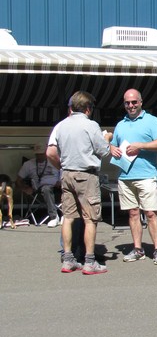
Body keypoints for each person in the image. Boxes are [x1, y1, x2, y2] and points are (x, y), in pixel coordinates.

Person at [46, 91, 111, 275]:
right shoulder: (90, 125)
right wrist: (107, 138)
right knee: (90, 218)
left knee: (68, 217)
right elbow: (104, 151)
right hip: (86, 175)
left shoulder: (61, 125)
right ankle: (90, 261)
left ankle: (68, 259)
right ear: (88, 108)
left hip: (66, 173)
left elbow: (52, 152)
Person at [110, 89, 157, 265]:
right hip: (125, 176)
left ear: (141, 102)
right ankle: (138, 249)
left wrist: (141, 146)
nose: (131, 105)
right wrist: (112, 149)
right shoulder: (120, 124)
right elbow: (112, 145)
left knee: (150, 213)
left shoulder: (152, 121)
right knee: (133, 213)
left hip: (146, 175)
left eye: (134, 102)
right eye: (127, 103)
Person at [16, 143, 61, 227]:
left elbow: (65, 172)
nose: (39, 156)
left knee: (71, 186)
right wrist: (25, 188)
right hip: (41, 187)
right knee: (46, 189)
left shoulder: (55, 161)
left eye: (41, 154)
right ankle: (54, 217)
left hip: (58, 186)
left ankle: (69, 216)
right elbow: (18, 181)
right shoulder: (28, 164)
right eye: (37, 154)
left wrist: (61, 180)